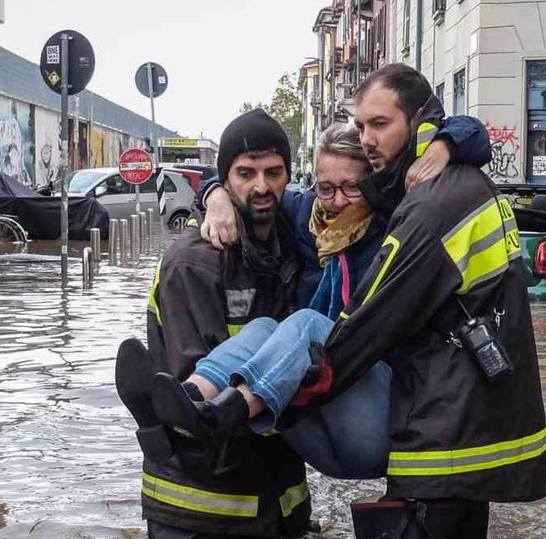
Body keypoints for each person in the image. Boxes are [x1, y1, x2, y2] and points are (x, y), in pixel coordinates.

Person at [290, 63, 546, 539]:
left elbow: (377, 314)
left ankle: (226, 403)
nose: (367, 138)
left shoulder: (428, 202)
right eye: (361, 126)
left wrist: (313, 380)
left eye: (380, 124)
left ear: (416, 121)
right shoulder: (422, 186)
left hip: (443, 426)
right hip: (459, 420)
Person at [144, 115, 494, 480]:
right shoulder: (304, 216)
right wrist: (214, 195)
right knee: (265, 327)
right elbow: (244, 181)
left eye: (352, 188)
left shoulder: (397, 224)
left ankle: (229, 412)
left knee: (308, 324)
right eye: (326, 188)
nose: (337, 202)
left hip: (379, 424)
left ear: (372, 184)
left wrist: (444, 146)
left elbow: (477, 134)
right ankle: (188, 401)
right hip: (321, 414)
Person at [115, 109, 310, 539]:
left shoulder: (294, 243)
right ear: (226, 180)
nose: (261, 187)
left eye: (273, 172)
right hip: (198, 512)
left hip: (278, 504)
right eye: (245, 174)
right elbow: (184, 380)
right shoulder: (194, 262)